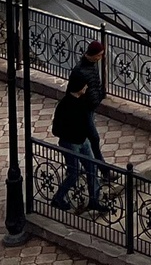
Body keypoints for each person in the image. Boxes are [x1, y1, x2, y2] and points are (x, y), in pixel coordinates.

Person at [50, 42, 107, 212]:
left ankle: (94, 200)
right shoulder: (67, 105)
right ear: (81, 87)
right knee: (74, 173)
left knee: (91, 168)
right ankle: (58, 198)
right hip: (72, 143)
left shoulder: (81, 102)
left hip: (81, 140)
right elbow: (58, 128)